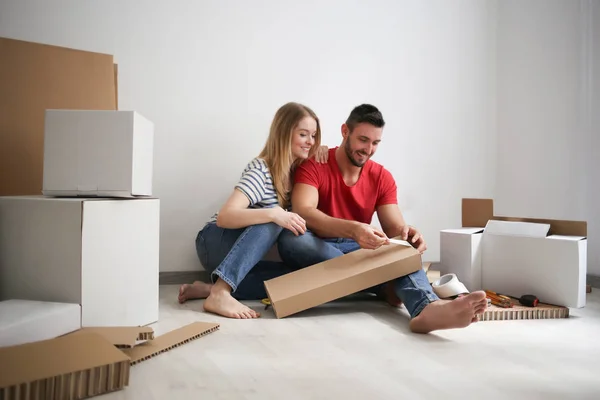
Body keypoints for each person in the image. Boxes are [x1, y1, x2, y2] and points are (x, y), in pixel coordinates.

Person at [277, 104, 488, 334]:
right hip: (319, 243)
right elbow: (303, 211)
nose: (368, 149)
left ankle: (428, 309)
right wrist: (355, 229)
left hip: (360, 251)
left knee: (402, 249)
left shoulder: (381, 176)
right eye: (363, 140)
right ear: (345, 131)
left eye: (375, 143)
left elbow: (394, 227)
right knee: (293, 240)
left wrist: (408, 233)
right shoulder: (315, 163)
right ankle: (383, 282)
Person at [178, 102, 322, 319]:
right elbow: (225, 216)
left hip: (241, 256)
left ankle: (209, 288)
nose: (310, 142)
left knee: (294, 278)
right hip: (215, 241)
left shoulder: (298, 175)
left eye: (313, 136)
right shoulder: (261, 169)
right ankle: (220, 292)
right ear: (283, 134)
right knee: (274, 217)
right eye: (304, 135)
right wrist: (273, 213)